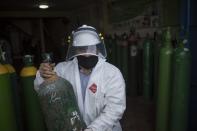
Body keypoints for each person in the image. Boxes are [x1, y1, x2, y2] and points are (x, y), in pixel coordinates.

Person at [34, 25, 126, 131]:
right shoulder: (62, 69)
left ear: (97, 48)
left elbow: (115, 109)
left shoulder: (112, 73)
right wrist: (42, 74)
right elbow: (41, 88)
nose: (87, 54)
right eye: (82, 49)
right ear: (75, 50)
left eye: (91, 48)